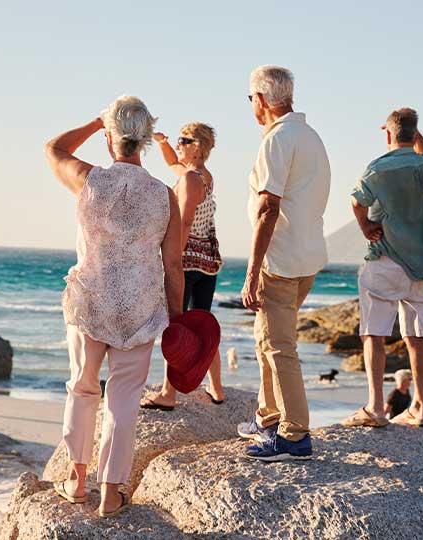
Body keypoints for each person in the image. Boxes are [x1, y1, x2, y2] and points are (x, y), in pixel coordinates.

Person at [44, 96, 184, 518]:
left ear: (111, 138)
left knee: (83, 389)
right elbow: (174, 263)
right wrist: (178, 319)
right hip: (140, 307)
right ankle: (110, 492)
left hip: (91, 302)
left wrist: (94, 122)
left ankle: (77, 479)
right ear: (143, 141)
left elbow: (53, 149)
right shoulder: (164, 195)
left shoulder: (89, 179)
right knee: (123, 400)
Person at [238, 65, 330, 461]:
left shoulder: (277, 140)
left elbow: (268, 209)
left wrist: (253, 269)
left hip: (281, 259)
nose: (251, 106)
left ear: (261, 99)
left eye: (250, 99)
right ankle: (268, 417)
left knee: (279, 347)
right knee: (266, 340)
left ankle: (294, 436)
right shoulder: (310, 135)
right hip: (307, 255)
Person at [342, 107, 423, 429]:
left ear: (388, 134)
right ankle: (420, 408)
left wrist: (365, 228)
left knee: (374, 333)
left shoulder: (380, 167)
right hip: (421, 264)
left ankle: (375, 408)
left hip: (385, 260)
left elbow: (357, 201)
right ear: (415, 134)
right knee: (416, 336)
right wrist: (413, 133)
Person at [140, 123, 226, 410]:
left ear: (197, 146)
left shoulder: (189, 180)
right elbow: (174, 164)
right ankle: (216, 387)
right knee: (202, 323)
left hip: (187, 260)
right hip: (207, 261)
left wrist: (171, 259)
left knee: (175, 324)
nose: (179, 144)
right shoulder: (203, 175)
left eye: (183, 140)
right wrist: (163, 143)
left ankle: (168, 392)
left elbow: (185, 220)